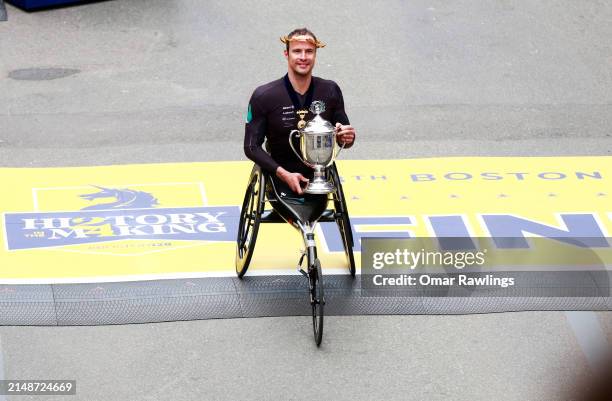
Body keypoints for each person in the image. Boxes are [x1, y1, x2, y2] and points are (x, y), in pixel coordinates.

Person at [244, 28, 356, 201]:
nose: (303, 57)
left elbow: (344, 140)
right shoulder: (264, 95)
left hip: (320, 180)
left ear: (315, 55)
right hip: (279, 179)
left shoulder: (330, 90)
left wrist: (346, 137)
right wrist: (283, 174)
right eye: (297, 51)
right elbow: (251, 147)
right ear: (286, 54)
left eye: (309, 51)